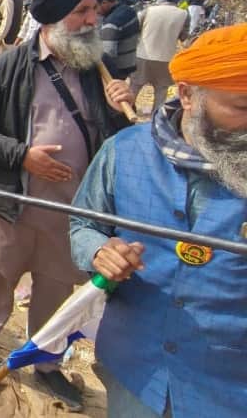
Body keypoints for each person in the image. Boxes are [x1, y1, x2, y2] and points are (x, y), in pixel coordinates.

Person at [0, 0, 134, 411]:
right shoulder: (9, 66)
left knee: (55, 288)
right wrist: (22, 155)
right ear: (55, 18)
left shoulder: (100, 70)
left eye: (94, 10)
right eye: (83, 11)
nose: (93, 19)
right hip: (13, 207)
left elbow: (118, 144)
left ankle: (47, 363)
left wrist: (120, 112)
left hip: (72, 214)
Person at [69, 24, 247, 418]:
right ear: (187, 95)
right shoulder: (123, 151)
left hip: (229, 387)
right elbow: (84, 224)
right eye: (242, 108)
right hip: (137, 370)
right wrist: (99, 251)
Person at [131, 0, 190, 112]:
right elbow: (183, 37)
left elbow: (136, 29)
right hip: (166, 58)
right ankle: (155, 116)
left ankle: (127, 113)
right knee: (161, 90)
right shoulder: (184, 14)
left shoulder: (148, 11)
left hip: (143, 55)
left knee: (135, 87)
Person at [98, 0, 140, 80]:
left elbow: (108, 53)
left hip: (117, 69)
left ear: (104, 3)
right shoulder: (129, 10)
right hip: (130, 62)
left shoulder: (111, 22)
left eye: (95, 7)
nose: (95, 12)